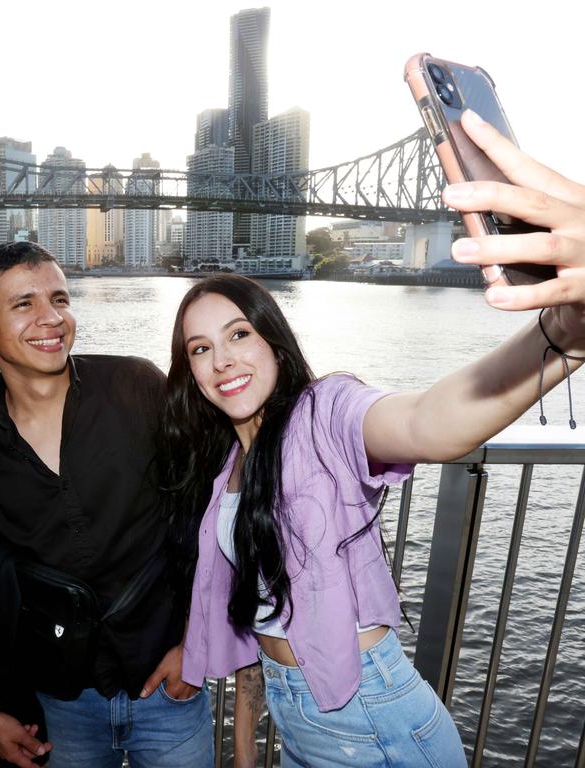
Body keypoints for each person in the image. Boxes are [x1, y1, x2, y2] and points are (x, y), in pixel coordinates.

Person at [167, 108, 585, 768]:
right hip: (300, 711)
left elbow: (427, 424)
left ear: (274, 342)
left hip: (371, 713)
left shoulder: (324, 412)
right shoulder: (227, 470)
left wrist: (563, 334)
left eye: (239, 334)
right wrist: (243, 755)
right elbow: (256, 615)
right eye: (200, 348)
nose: (223, 360)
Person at [0, 242, 214, 768]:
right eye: (24, 304)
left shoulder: (136, 386)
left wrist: (195, 646)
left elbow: (204, 516)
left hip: (167, 684)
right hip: (58, 704)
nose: (51, 318)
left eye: (60, 298)